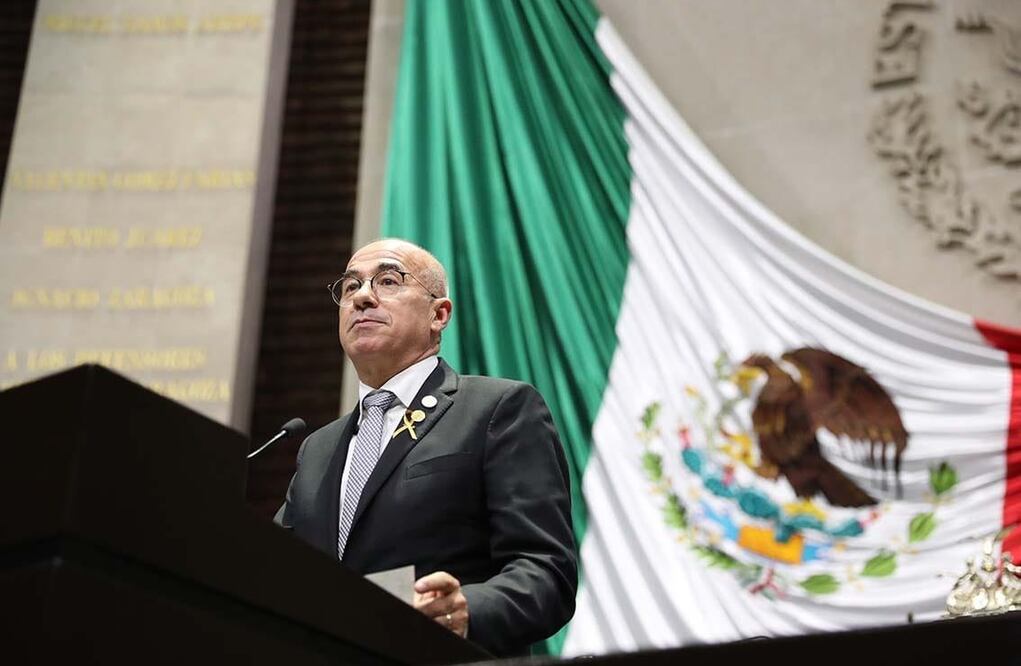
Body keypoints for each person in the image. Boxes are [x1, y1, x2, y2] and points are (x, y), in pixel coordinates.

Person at [274, 238, 577, 656]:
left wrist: (466, 609)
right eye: (350, 287)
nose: (362, 297)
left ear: (439, 314)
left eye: (387, 280)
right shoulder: (317, 448)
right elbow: (269, 571)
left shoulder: (496, 410)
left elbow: (546, 572)